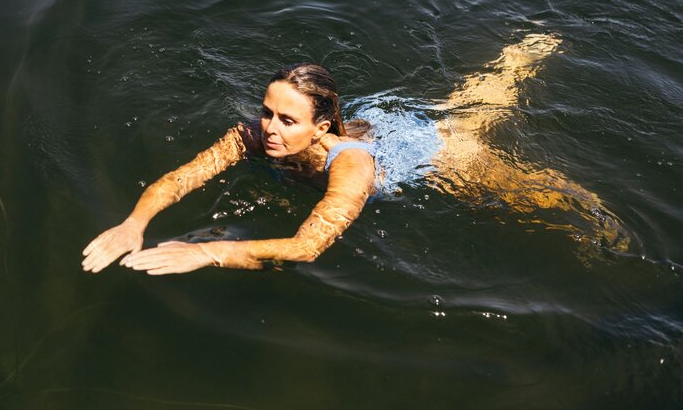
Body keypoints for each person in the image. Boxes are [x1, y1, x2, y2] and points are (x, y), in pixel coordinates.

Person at [82, 34, 627, 275]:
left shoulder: (350, 164)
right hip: (381, 122)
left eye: (286, 120)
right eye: (267, 111)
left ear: (321, 126)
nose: (268, 128)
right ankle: (518, 58)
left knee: (531, 191)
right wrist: (135, 222)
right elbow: (180, 180)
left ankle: (602, 215)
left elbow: (307, 247)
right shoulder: (254, 135)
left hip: (431, 154)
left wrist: (209, 252)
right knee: (468, 104)